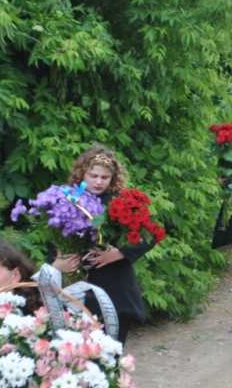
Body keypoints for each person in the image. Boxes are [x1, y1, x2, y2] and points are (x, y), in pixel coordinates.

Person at [55, 144, 155, 345]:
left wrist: (117, 254)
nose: (98, 182)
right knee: (77, 355)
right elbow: (54, 241)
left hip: (115, 288)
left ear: (113, 178)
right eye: (93, 176)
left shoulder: (120, 201)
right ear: (82, 173)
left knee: (110, 354)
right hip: (76, 290)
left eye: (105, 177)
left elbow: (151, 234)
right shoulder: (67, 201)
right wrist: (57, 264)